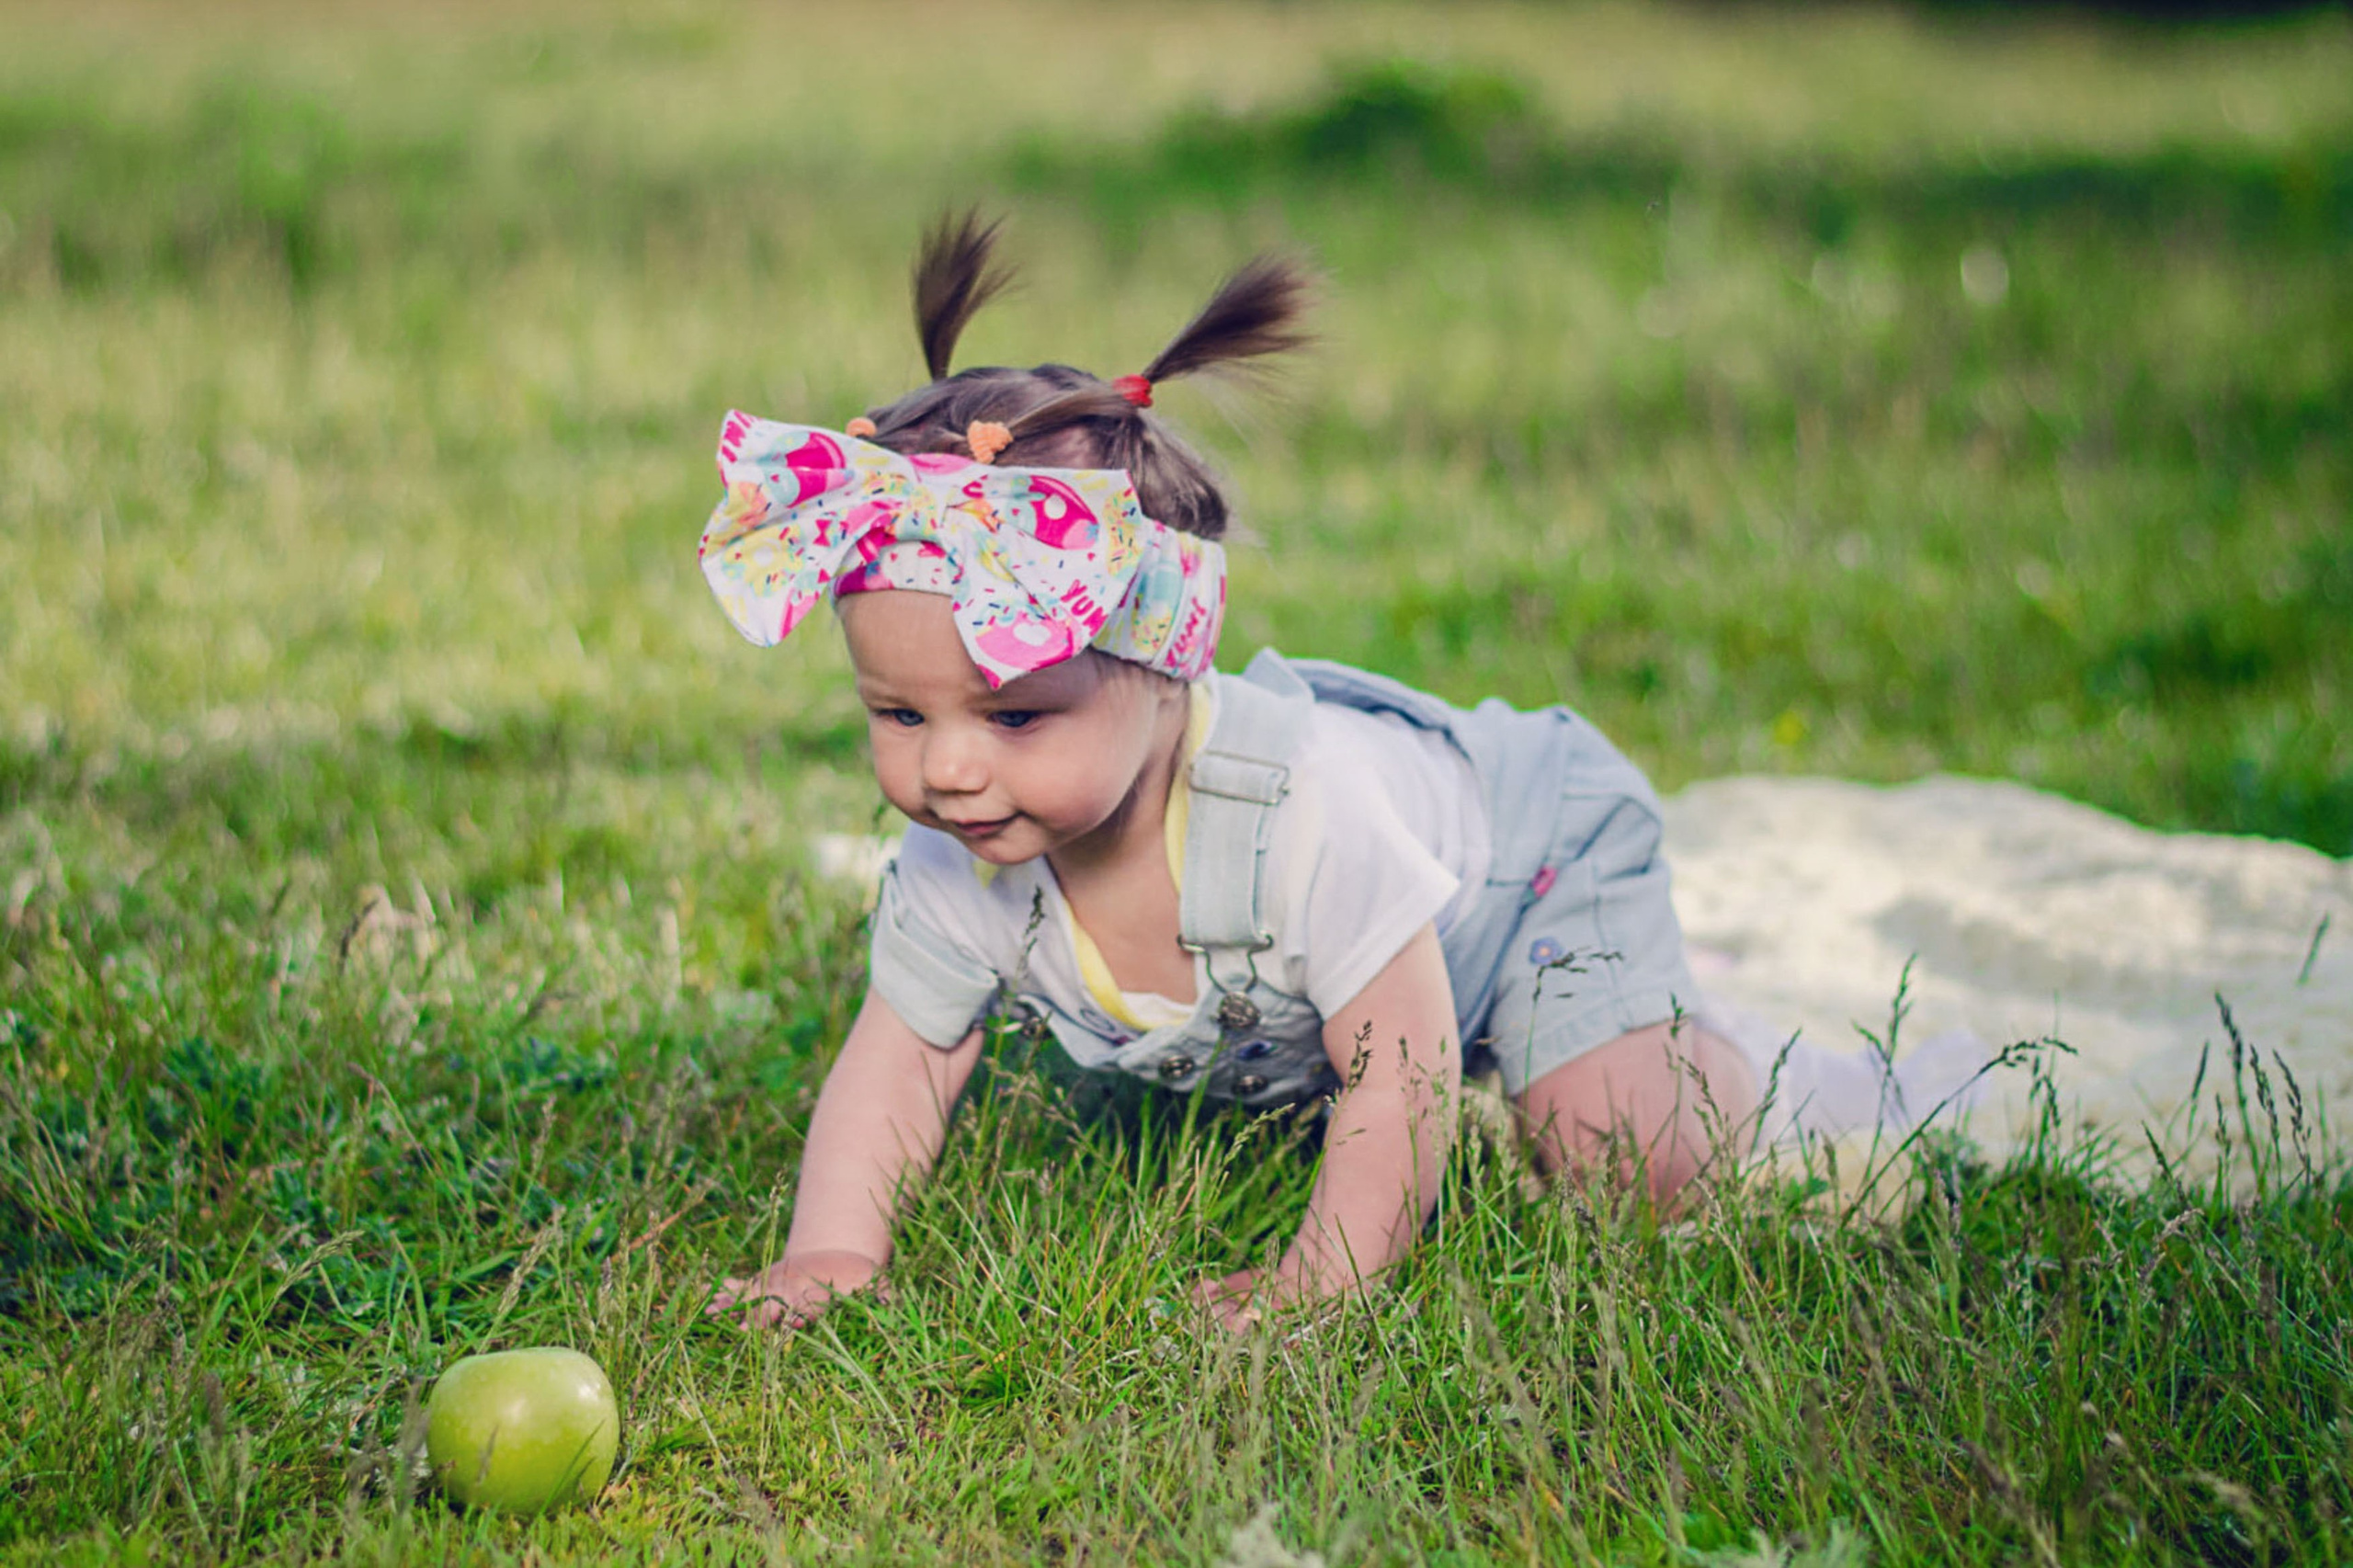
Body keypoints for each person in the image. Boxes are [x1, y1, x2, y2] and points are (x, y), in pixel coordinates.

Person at [701, 214, 1758, 1333]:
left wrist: (1321, 1278)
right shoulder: (958, 859)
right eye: (900, 712)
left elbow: (1403, 1069)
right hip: (1370, 965)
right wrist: (830, 1251)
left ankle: (1709, 1043)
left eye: (1013, 713)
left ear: (1166, 667)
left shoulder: (1297, 814)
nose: (947, 767)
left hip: (1527, 865)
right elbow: (904, 1057)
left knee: (1634, 1165)